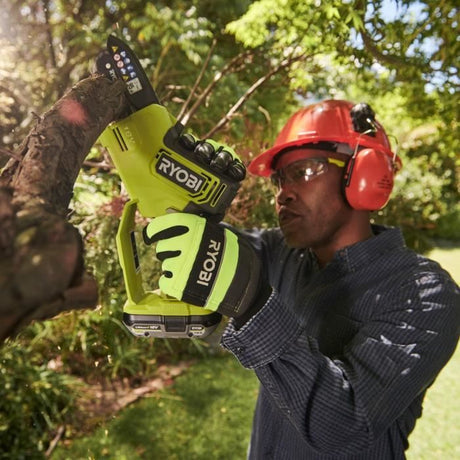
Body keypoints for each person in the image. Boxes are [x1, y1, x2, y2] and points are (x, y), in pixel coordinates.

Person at [144, 99, 460, 459]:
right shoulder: (280, 252)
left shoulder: (424, 293)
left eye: (304, 171)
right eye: (278, 180)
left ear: (363, 174)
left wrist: (251, 302)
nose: (283, 194)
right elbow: (201, 242)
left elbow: (345, 425)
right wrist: (186, 198)